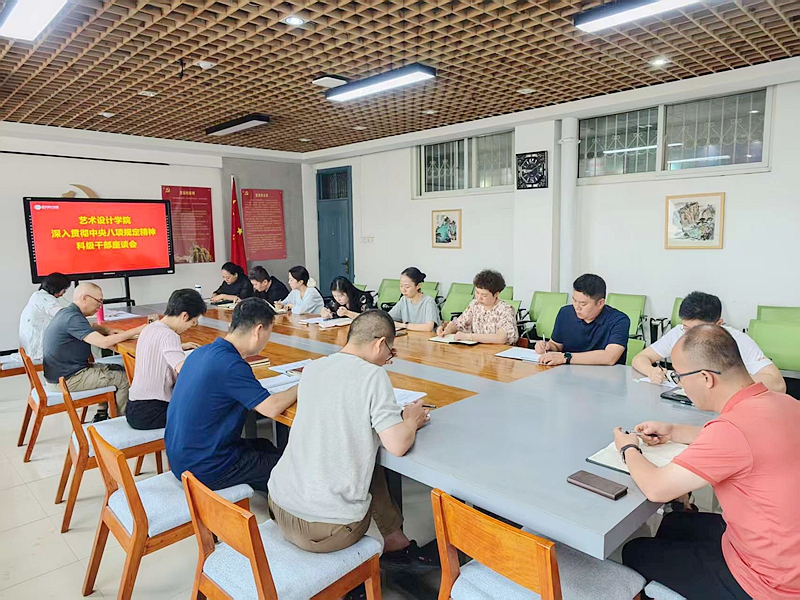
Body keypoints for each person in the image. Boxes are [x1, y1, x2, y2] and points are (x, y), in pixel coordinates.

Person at [615, 325, 800, 599]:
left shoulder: (731, 430)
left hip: (768, 584)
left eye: (679, 376)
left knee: (635, 550)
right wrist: (674, 431)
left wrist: (628, 448)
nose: (679, 384)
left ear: (705, 378)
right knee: (674, 523)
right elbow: (746, 441)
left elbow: (656, 488)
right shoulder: (785, 402)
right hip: (784, 554)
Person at [267, 310, 429, 556]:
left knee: (358, 450)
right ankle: (393, 542)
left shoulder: (313, 368)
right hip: (325, 530)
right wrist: (411, 420)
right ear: (380, 344)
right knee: (368, 453)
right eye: (390, 351)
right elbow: (397, 445)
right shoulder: (373, 375)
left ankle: (395, 537)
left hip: (278, 505)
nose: (389, 358)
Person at [165, 298, 298, 491]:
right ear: (258, 330)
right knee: (292, 472)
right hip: (204, 467)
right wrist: (303, 384)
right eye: (270, 332)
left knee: (265, 446)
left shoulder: (202, 352)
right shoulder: (231, 364)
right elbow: (272, 408)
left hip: (181, 457)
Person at [632, 291, 786, 393]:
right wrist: (651, 371)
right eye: (686, 327)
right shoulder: (679, 332)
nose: (690, 335)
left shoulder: (737, 340)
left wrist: (720, 379)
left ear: (718, 324)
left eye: (698, 329)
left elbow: (778, 384)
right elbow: (640, 358)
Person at [43, 283, 148, 421]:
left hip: (63, 374)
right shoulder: (72, 318)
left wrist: (107, 330)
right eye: (99, 301)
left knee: (118, 368)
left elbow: (90, 328)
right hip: (68, 379)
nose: (100, 306)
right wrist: (137, 330)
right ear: (85, 298)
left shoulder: (68, 313)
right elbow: (103, 343)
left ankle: (101, 414)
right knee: (123, 378)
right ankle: (121, 420)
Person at [125, 289, 205, 431]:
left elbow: (157, 347)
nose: (190, 327)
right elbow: (185, 372)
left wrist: (180, 347)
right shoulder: (170, 336)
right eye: (193, 322)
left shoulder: (150, 328)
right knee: (206, 412)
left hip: (134, 408)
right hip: (152, 411)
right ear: (184, 316)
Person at [535, 274, 629, 366]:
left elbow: (610, 357)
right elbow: (556, 345)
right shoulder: (565, 313)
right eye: (574, 300)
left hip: (604, 374)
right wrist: (547, 347)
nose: (577, 307)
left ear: (600, 303)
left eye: (583, 304)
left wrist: (566, 357)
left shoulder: (619, 320)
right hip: (567, 372)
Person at [436, 269, 518, 345]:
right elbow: (459, 323)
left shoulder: (505, 310)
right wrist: (447, 330)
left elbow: (501, 338)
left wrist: (469, 337)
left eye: (484, 295)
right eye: (477, 292)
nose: (479, 298)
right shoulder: (475, 305)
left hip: (500, 352)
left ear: (496, 294)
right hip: (478, 350)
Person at [19, 272, 71, 362]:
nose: (64, 292)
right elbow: (64, 316)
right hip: (38, 352)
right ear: (57, 287)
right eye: (64, 289)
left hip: (28, 349)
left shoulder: (37, 296)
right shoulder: (45, 299)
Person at [389, 267, 440, 332]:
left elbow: (429, 327)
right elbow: (387, 318)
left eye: (407, 287)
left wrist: (403, 325)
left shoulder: (428, 302)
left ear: (418, 286)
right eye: (401, 286)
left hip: (427, 337)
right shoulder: (403, 300)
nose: (403, 290)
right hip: (410, 336)